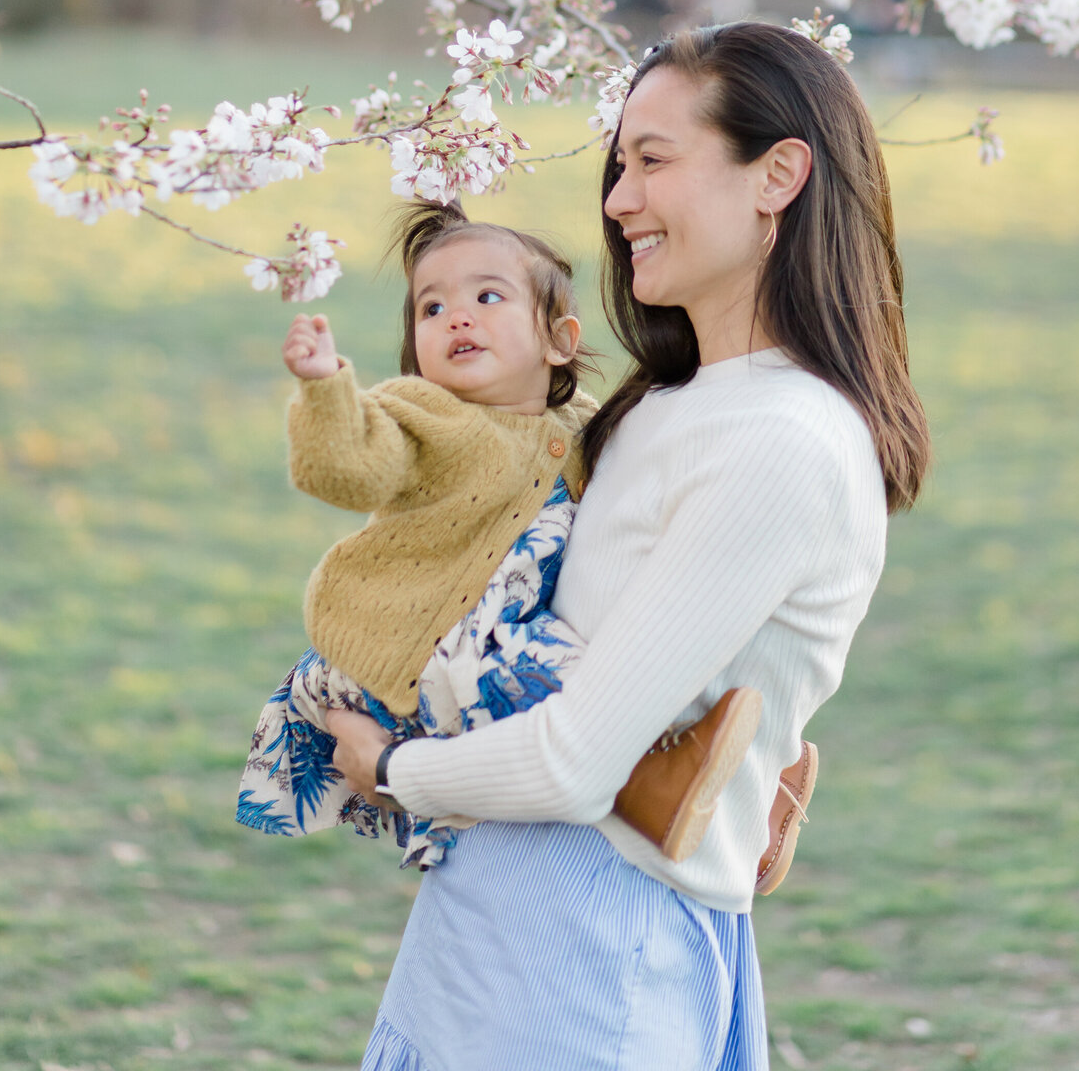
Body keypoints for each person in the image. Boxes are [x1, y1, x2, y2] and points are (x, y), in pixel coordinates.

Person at [326, 21, 932, 1071]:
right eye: (619, 167)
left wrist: (396, 769)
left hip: (595, 943)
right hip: (497, 915)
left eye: (654, 160)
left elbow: (575, 762)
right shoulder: (666, 405)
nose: (617, 200)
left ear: (778, 175)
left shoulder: (784, 441)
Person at [236, 201, 762, 872]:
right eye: (431, 309)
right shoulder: (426, 416)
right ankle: (658, 783)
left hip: (485, 635)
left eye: (488, 297)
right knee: (568, 685)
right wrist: (325, 392)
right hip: (410, 643)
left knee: (606, 668)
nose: (457, 316)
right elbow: (349, 471)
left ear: (559, 341)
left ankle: (740, 800)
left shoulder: (582, 422)